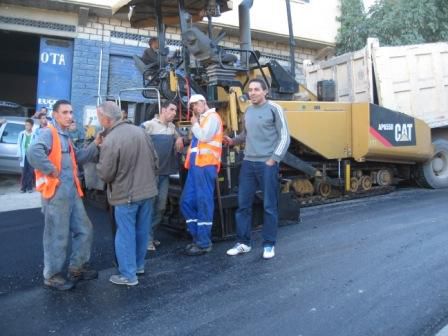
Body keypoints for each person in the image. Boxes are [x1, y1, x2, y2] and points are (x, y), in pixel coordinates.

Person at [27, 100, 101, 290]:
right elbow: (33, 152)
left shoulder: (66, 137)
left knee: (85, 229)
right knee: (57, 236)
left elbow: (80, 158)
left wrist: (96, 144)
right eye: (65, 112)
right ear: (56, 115)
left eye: (71, 112)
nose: (70, 116)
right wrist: (51, 170)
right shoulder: (48, 133)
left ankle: (77, 268)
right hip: (57, 192)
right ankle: (52, 275)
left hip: (72, 192)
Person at [225, 78, 290, 259]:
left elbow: (285, 137)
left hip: (266, 164)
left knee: (269, 205)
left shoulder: (274, 109)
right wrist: (234, 141)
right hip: (248, 163)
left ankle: (269, 244)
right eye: (250, 90)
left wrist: (273, 159)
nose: (252, 93)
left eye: (256, 89)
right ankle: (243, 243)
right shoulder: (248, 111)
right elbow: (247, 134)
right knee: (243, 205)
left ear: (265, 91)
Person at [96, 101, 158, 286]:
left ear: (106, 120)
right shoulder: (141, 132)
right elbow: (155, 160)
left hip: (126, 195)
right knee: (142, 231)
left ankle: (128, 275)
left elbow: (105, 174)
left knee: (125, 234)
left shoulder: (111, 140)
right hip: (147, 192)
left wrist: (99, 156)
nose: (99, 121)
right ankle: (138, 266)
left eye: (99, 118)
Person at [180, 94, 223, 256]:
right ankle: (198, 236)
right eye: (193, 107)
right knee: (186, 202)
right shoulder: (201, 120)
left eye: (197, 105)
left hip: (206, 166)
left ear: (204, 103)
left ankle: (204, 242)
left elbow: (205, 136)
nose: (195, 108)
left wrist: (194, 125)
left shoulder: (213, 117)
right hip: (195, 167)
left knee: (204, 202)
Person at [142, 101, 184, 251]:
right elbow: (136, 139)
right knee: (149, 207)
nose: (174, 113)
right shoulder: (149, 125)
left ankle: (149, 235)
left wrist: (179, 138)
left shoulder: (172, 128)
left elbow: (180, 137)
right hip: (150, 175)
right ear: (163, 110)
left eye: (175, 110)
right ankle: (146, 240)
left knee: (160, 208)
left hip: (164, 175)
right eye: (172, 110)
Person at [17, 118, 36, 193]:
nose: (26, 126)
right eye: (26, 125)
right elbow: (18, 144)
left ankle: (29, 187)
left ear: (32, 126)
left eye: (28, 125)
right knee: (24, 171)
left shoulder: (34, 134)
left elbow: (35, 146)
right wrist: (19, 155)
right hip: (24, 155)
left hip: (31, 156)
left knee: (30, 172)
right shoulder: (21, 134)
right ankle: (23, 188)